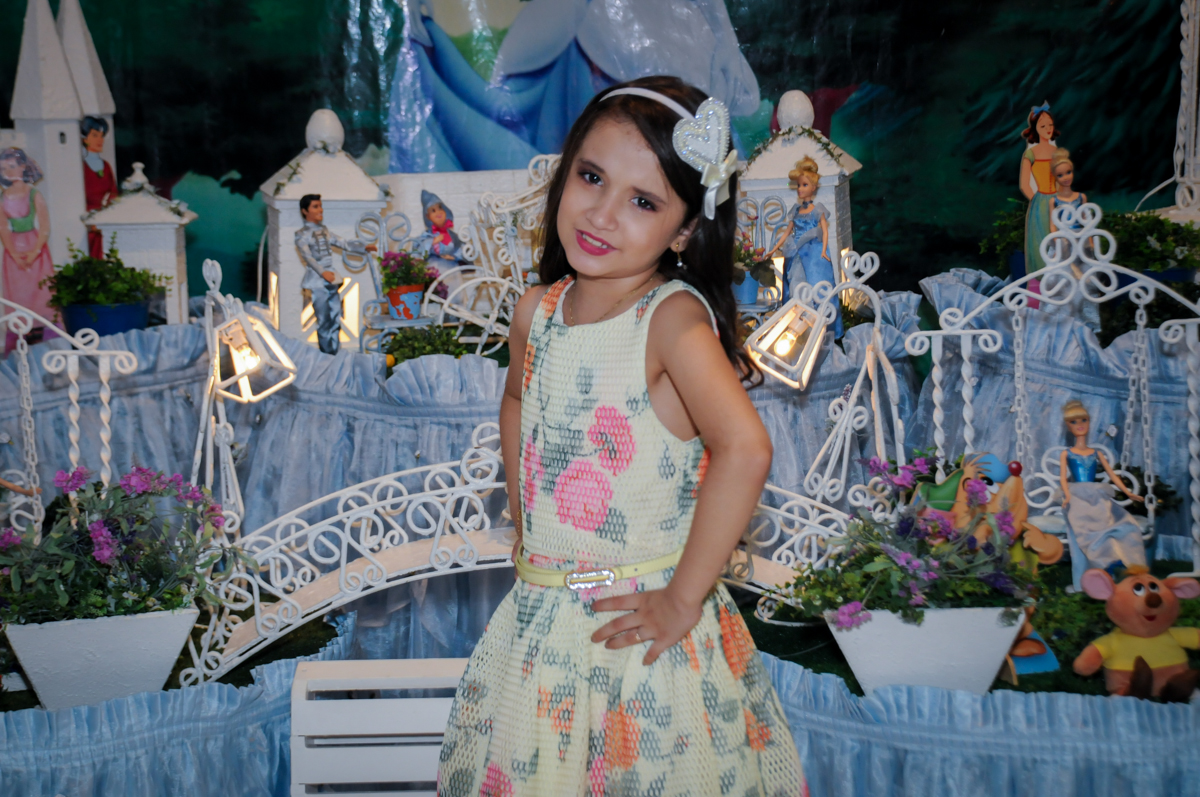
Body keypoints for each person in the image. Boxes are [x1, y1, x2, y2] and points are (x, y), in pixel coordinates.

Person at [437, 76, 804, 796]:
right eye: (591, 176)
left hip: (640, 644)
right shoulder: (535, 311)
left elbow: (746, 448)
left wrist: (681, 598)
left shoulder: (670, 321)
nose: (603, 213)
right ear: (565, 167)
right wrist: (524, 515)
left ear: (685, 229)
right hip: (543, 636)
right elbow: (517, 399)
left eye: (643, 201)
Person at [1059, 400, 1147, 590]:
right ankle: (1104, 562)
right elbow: (1063, 479)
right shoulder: (1067, 453)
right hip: (1077, 495)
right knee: (1083, 523)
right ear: (1067, 426)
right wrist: (1066, 496)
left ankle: (1117, 560)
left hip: (1096, 494)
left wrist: (1127, 492)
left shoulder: (1096, 452)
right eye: (1073, 422)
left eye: (1083, 420)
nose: (1080, 425)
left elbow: (1112, 475)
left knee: (1119, 521)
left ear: (1089, 422)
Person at [764, 156, 840, 338]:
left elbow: (824, 231)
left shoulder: (817, 209)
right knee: (795, 286)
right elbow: (786, 232)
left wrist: (823, 250)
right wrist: (774, 250)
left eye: (804, 185)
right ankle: (796, 328)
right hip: (796, 253)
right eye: (799, 185)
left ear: (813, 188)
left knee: (818, 286)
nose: (800, 189)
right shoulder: (796, 211)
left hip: (813, 253)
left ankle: (821, 330)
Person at [294, 194, 373, 354]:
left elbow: (342, 242)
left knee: (335, 316)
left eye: (320, 206)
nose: (320, 210)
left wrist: (362, 247)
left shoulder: (324, 231)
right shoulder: (301, 234)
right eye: (315, 207)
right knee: (323, 320)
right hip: (317, 281)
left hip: (332, 280)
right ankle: (326, 353)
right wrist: (323, 273)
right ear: (305, 211)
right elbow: (308, 257)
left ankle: (335, 351)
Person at [0, 148, 57, 353]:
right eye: (3, 168)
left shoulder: (34, 194)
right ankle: (19, 342)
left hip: (36, 248)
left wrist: (34, 252)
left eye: (12, 167)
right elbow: (3, 228)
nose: (8, 171)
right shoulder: (2, 197)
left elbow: (44, 226)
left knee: (41, 292)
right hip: (13, 252)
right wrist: (14, 254)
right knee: (18, 294)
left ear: (23, 167)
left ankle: (47, 341)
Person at [1048, 148, 1100, 332]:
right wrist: (1057, 242)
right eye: (1061, 175)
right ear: (1055, 177)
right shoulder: (1054, 200)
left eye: (1068, 172)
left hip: (1081, 241)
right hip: (1064, 243)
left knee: (1087, 280)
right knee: (1063, 281)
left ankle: (1088, 323)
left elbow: (1087, 220)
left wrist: (1091, 240)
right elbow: (1052, 223)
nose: (1066, 177)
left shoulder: (1080, 197)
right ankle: (1061, 321)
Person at [1019, 102, 1059, 307]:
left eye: (1050, 125)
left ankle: (1058, 299)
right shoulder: (1031, 154)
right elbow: (1025, 183)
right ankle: (1035, 302)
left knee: (1059, 246)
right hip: (1040, 204)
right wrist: (1037, 200)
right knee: (1039, 249)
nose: (1048, 129)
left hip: (1059, 202)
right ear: (1035, 128)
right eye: (1043, 126)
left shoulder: (1056, 151)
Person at [81, 116, 118, 259]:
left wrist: (108, 214)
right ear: (85, 138)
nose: (100, 140)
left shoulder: (106, 166)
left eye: (101, 136)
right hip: (89, 223)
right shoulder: (81, 167)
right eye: (95, 135)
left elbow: (113, 193)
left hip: (104, 219)